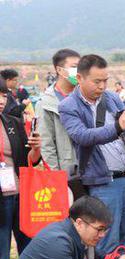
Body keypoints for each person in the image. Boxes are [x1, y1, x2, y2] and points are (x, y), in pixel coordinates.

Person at [58, 54, 125, 259]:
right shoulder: (69, 106)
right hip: (102, 182)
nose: (101, 87)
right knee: (105, 237)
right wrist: (118, 126)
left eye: (105, 81)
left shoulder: (110, 98)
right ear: (80, 78)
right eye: (96, 81)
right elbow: (83, 137)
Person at [0, 78, 42, 259]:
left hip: (20, 196)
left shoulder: (12, 123)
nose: (1, 100)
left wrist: (35, 149)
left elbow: (30, 162)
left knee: (28, 251)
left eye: (4, 95)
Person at [36, 49, 81, 179]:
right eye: (74, 67)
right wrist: (56, 177)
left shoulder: (86, 96)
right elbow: (47, 145)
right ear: (60, 70)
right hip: (68, 172)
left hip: (93, 170)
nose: (79, 71)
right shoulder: (46, 103)